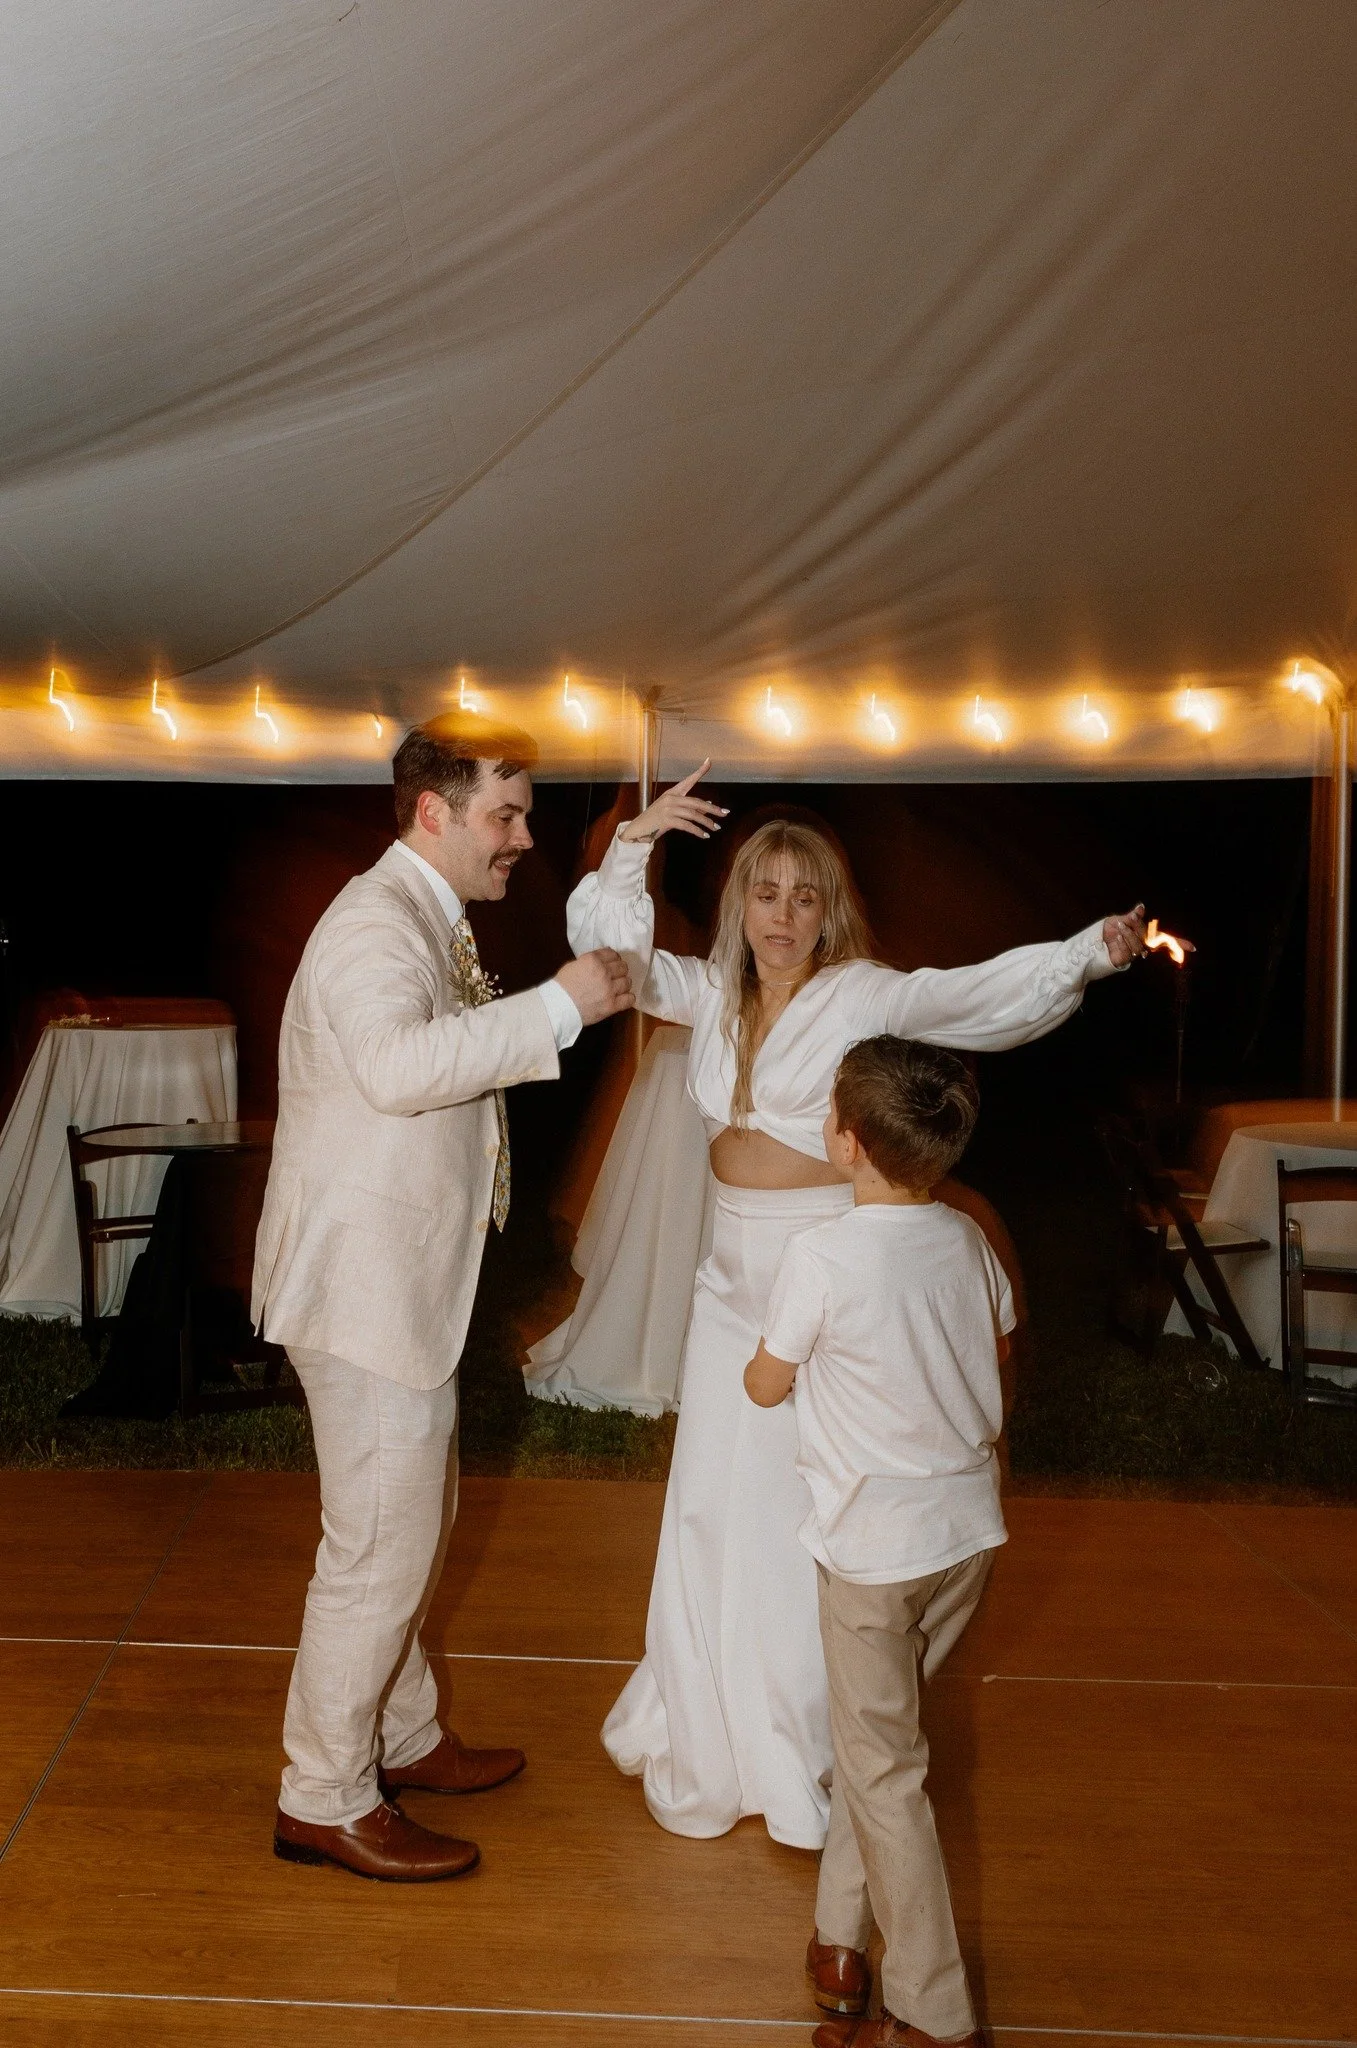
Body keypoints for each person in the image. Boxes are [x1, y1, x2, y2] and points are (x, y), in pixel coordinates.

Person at [565, 764, 1147, 1848]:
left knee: (804, 1517)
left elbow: (967, 996)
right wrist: (634, 842)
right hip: (723, 1287)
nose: (782, 916)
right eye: (764, 892)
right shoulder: (704, 992)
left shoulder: (861, 995)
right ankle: (704, 1721)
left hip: (819, 1284)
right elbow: (608, 955)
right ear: (739, 902)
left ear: (828, 908)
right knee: (707, 1508)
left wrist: (1084, 953)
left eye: (803, 895)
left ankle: (799, 1744)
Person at [253, 712, 633, 1881]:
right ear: (434, 811)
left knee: (415, 1517)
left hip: (395, 1281)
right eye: (504, 815)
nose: (523, 837)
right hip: (360, 1287)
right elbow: (396, 1067)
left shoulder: (423, 910)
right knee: (378, 1541)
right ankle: (323, 1792)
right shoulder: (377, 921)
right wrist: (560, 1004)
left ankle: (405, 1730)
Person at [745, 1037, 1005, 2048]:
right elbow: (993, 1342)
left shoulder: (822, 1255)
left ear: (846, 1141)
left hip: (872, 1551)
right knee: (878, 1744)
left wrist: (776, 1365)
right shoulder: (967, 1237)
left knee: (884, 1770)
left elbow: (764, 1382)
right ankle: (839, 1940)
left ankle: (934, 2013)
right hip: (965, 1535)